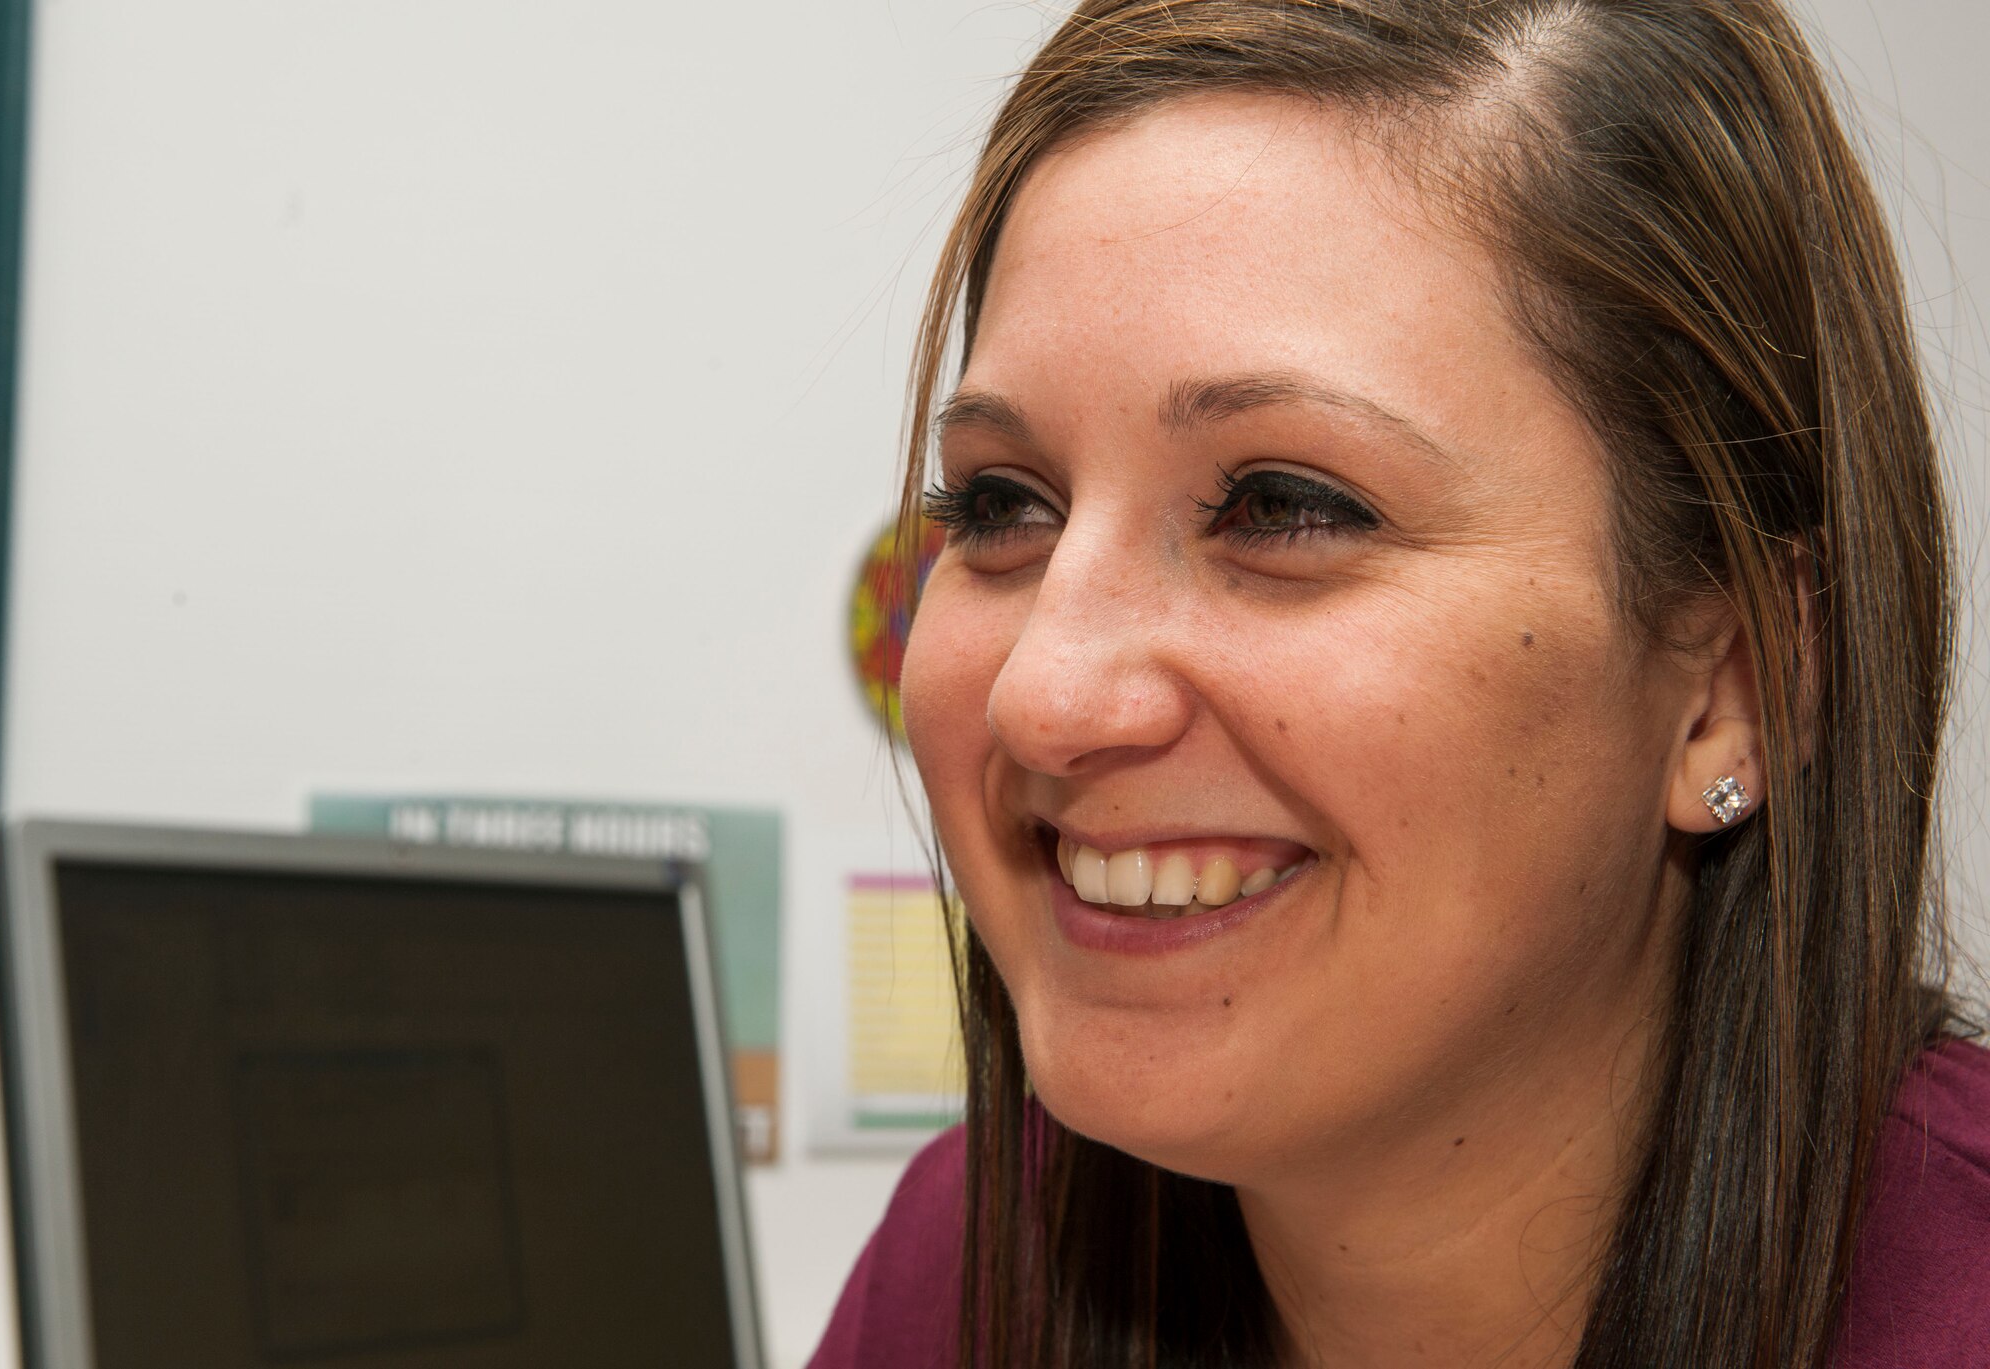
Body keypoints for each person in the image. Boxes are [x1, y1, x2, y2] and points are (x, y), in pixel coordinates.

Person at [813, 2, 1988, 1365]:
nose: (1046, 697)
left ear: (1738, 682)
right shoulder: (963, 1266)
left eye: (1282, 505)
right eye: (1006, 502)